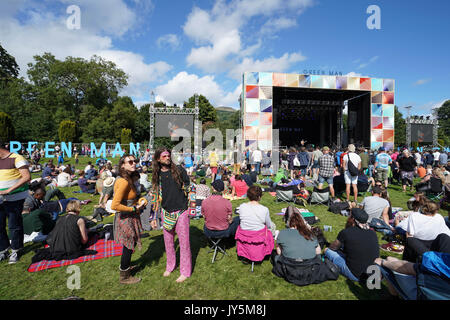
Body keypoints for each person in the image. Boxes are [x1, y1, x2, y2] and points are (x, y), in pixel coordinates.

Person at [151, 148, 192, 283]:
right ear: (158, 159)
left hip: (181, 210)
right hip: (166, 212)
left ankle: (185, 271)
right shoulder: (157, 175)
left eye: (168, 155)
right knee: (168, 242)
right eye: (164, 156)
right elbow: (155, 195)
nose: (167, 158)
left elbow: (188, 184)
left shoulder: (179, 170)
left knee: (184, 243)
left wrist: (188, 197)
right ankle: (170, 266)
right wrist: (153, 216)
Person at [111, 154, 147, 284]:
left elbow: (131, 198)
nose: (133, 163)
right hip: (126, 218)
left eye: (134, 161)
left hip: (130, 216)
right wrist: (133, 209)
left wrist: (140, 200)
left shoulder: (128, 179)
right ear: (122, 165)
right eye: (130, 162)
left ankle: (126, 267)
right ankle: (124, 276)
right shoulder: (123, 181)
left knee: (129, 244)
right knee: (128, 245)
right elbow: (115, 205)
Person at [324, 208, 379, 281]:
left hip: (356, 275)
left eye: (349, 216)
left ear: (353, 219)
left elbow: (333, 248)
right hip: (373, 274)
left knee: (327, 251)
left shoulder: (346, 232)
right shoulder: (373, 233)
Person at [0, 140, 31, 264]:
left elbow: (26, 176)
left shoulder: (16, 158)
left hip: (14, 198)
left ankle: (16, 250)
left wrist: (9, 190)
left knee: (14, 225)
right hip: (0, 199)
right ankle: (3, 249)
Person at [235, 186, 277, 263]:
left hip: (244, 234)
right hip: (258, 235)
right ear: (259, 197)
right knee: (272, 226)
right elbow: (268, 225)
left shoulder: (242, 207)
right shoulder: (264, 209)